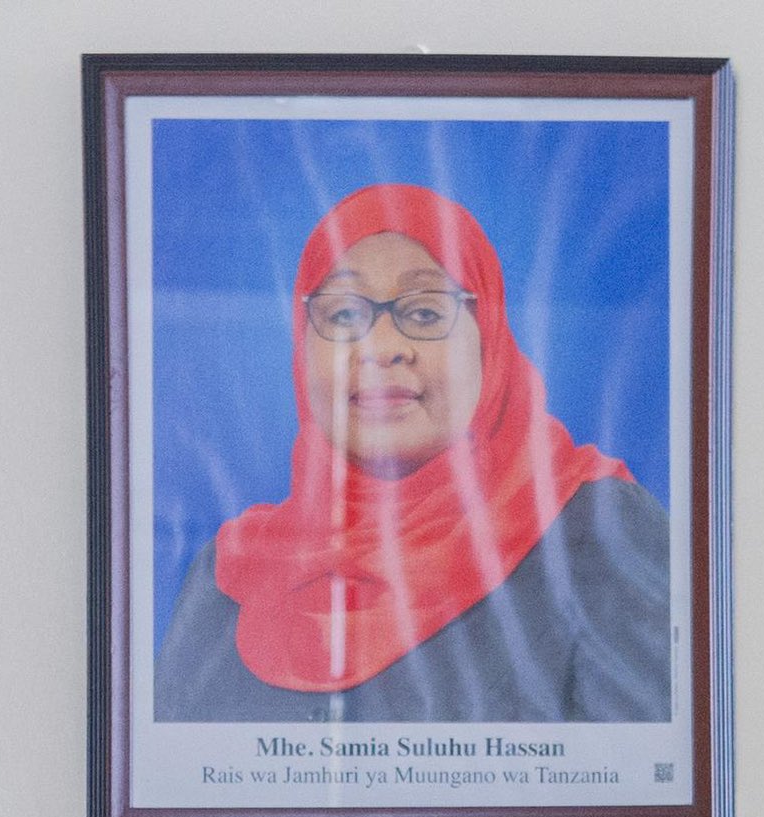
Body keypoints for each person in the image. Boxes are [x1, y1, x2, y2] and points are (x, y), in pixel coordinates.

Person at [158, 181, 674, 724]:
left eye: (425, 314)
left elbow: (637, 786)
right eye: (342, 316)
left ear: (489, 338)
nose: (381, 349)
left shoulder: (597, 531)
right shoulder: (229, 574)